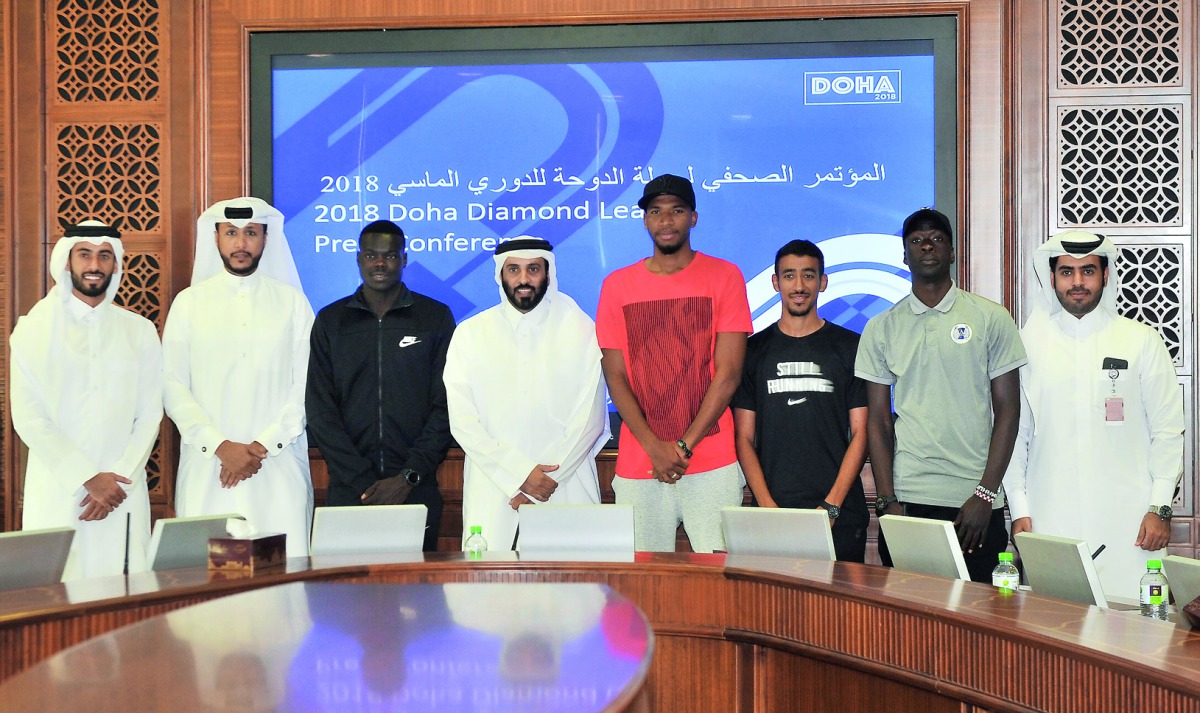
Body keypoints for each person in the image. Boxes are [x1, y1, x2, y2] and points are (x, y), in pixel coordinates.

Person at [1004, 231, 1183, 599]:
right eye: (1067, 272)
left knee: (1137, 638)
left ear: (1105, 275)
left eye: (1088, 271)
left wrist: (1160, 507)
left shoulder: (1141, 340)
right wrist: (1020, 510)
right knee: (1055, 635)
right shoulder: (1027, 346)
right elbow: (1013, 435)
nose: (1078, 282)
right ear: (1051, 277)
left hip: (1131, 522)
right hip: (1050, 519)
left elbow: (1167, 431)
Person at [855, 207, 1026, 582]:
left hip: (976, 503)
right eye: (916, 241)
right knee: (913, 627)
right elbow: (880, 422)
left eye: (937, 239)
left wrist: (985, 494)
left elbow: (1009, 412)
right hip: (910, 496)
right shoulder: (881, 328)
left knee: (981, 623)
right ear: (904, 255)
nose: (927, 246)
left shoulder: (991, 317)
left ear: (952, 252)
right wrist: (886, 502)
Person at [596, 174, 752, 552]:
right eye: (656, 212)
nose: (666, 221)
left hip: (712, 460)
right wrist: (654, 447)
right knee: (643, 583)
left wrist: (683, 446)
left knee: (720, 580)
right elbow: (615, 376)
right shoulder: (617, 285)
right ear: (646, 220)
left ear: (693, 218)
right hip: (640, 461)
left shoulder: (725, 276)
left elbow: (728, 374)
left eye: (677, 210)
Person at [10, 220, 162, 580]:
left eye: (104, 256)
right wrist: (88, 478)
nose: (94, 265)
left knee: (124, 606)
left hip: (122, 493)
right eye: (85, 254)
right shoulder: (33, 329)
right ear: (66, 261)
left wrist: (118, 477)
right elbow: (30, 419)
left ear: (116, 265)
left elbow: (150, 414)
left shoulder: (138, 331)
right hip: (61, 492)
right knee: (58, 603)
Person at [163, 197, 315, 557]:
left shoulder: (293, 302)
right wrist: (220, 446)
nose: (241, 243)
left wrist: (262, 447)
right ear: (216, 238)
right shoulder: (188, 303)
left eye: (251, 233)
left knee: (284, 587)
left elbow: (308, 385)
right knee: (208, 587)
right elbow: (172, 385)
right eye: (231, 233)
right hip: (209, 470)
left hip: (278, 468)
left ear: (266, 239)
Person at [443, 237, 608, 550]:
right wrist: (518, 475)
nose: (523, 279)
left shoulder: (581, 329)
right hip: (494, 489)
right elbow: (463, 422)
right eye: (513, 270)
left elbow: (590, 419)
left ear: (548, 273)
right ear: (500, 275)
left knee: (576, 593)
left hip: (566, 485)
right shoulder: (470, 334)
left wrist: (541, 484)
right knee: (489, 591)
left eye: (533, 269)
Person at [306, 219, 455, 552]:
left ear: (404, 260)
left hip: (415, 489)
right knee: (349, 596)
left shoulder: (434, 317)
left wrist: (407, 478)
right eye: (371, 255)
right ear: (359, 259)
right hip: (349, 491)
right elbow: (319, 409)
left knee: (416, 596)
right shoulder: (332, 321)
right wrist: (362, 483)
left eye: (389, 256)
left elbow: (446, 406)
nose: (379, 263)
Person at [732, 239, 869, 562]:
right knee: (775, 613)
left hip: (840, 513)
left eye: (808, 275)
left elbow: (861, 433)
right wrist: (767, 507)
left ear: (822, 282)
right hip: (773, 512)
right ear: (776, 282)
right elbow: (743, 437)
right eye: (789, 275)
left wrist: (832, 504)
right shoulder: (753, 351)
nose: (799, 285)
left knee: (844, 612)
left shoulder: (851, 346)